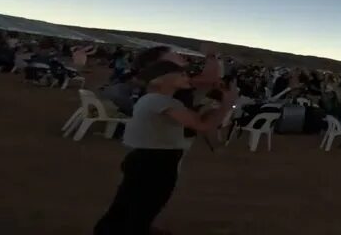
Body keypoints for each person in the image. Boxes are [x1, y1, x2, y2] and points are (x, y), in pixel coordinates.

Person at [93, 60, 236, 234]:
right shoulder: (161, 101)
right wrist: (227, 104)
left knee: (128, 204)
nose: (187, 77)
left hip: (147, 159)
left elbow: (194, 118)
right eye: (180, 74)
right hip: (155, 162)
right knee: (143, 207)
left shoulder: (157, 100)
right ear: (160, 80)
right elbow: (201, 125)